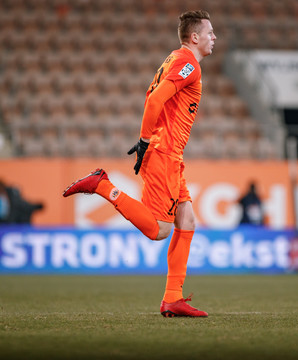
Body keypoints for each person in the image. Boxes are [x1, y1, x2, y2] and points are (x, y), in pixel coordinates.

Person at [63, 10, 216, 317]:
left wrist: (148, 140)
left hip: (169, 152)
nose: (215, 37)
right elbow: (155, 100)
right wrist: (146, 141)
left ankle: (173, 298)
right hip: (164, 151)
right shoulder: (188, 64)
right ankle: (103, 186)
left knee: (186, 222)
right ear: (194, 37)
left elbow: (155, 98)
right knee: (159, 230)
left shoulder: (175, 59)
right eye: (210, 32)